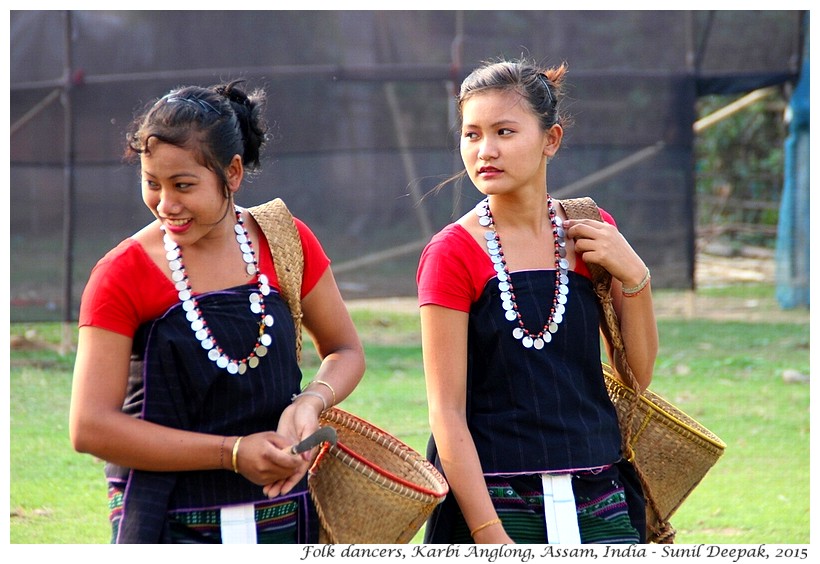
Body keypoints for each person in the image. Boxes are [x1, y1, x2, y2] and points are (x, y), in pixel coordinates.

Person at [69, 80, 365, 543]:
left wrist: (311, 400)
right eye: (152, 184)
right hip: (166, 517)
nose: (166, 204)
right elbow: (90, 427)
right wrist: (231, 453)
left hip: (285, 510)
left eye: (183, 185)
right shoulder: (120, 273)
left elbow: (345, 350)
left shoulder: (285, 240)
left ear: (232, 172)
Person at [416, 59, 658, 544]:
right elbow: (446, 413)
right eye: (472, 134)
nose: (486, 150)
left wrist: (636, 276)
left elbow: (636, 375)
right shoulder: (451, 253)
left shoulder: (592, 231)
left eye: (504, 131)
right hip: (494, 500)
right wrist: (488, 532)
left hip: (599, 493)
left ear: (551, 140)